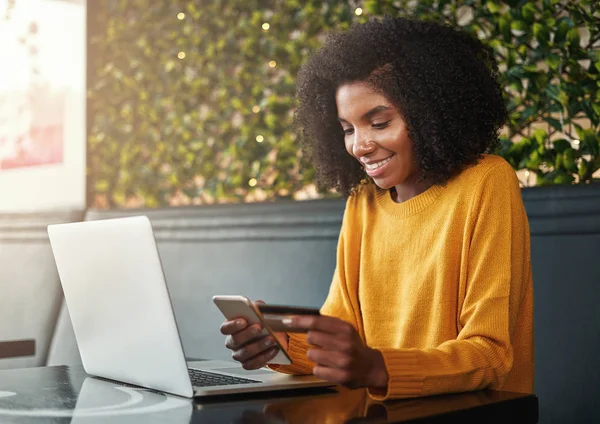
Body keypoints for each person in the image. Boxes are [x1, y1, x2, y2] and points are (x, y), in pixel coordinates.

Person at [220, 16, 534, 401]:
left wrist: (377, 367)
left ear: (431, 114)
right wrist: (280, 343)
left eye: (379, 122)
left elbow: (489, 354)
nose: (359, 146)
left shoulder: (487, 182)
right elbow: (343, 335)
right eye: (348, 129)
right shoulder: (363, 203)